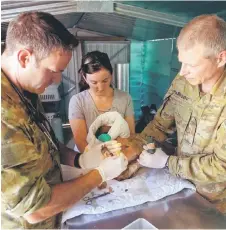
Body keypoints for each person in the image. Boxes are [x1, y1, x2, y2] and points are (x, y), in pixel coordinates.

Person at [1, 12, 128, 229]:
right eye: (53, 71)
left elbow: (46, 145)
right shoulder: (5, 114)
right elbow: (35, 208)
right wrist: (100, 174)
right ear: (24, 58)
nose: (57, 80)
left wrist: (81, 160)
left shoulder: (24, 91)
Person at [137, 14, 226, 214]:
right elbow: (159, 125)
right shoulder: (184, 80)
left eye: (191, 65)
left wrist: (167, 163)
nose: (183, 72)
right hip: (181, 189)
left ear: (220, 58)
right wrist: (133, 153)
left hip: (216, 206)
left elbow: (222, 166)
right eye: (181, 63)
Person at [69, 51, 135, 153]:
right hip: (86, 156)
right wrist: (99, 159)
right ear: (84, 78)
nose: (100, 88)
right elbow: (81, 141)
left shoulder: (125, 98)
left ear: (111, 74)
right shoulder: (78, 101)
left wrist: (114, 154)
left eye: (105, 80)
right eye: (94, 82)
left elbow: (130, 135)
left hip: (116, 154)